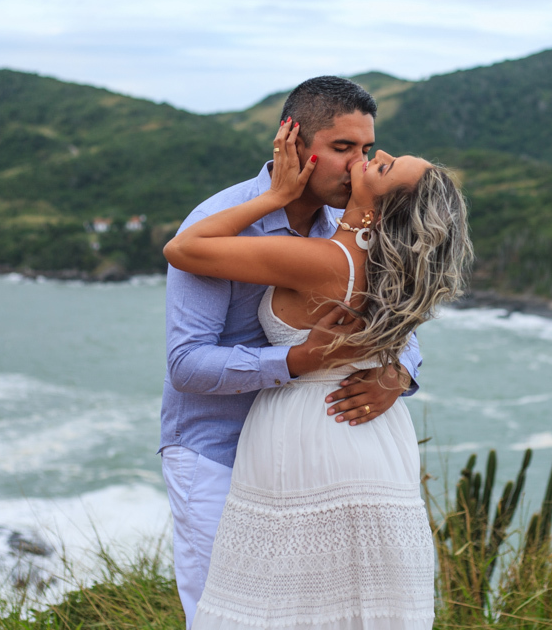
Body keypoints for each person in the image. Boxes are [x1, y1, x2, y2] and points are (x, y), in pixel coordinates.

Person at [164, 113, 471, 629]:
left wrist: (396, 374)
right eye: (345, 147)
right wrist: (301, 359)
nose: (362, 161)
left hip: (315, 435)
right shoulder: (372, 249)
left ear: (385, 203)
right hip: (225, 446)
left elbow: (184, 250)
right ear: (294, 144)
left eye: (375, 155)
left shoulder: (332, 250)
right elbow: (185, 364)